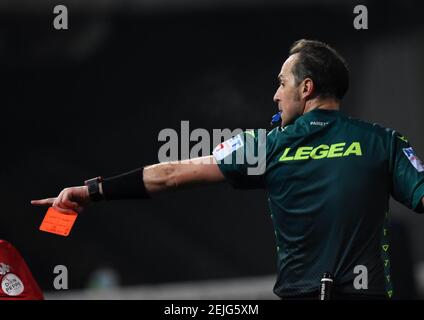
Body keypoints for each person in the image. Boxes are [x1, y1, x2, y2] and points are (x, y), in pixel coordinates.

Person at [31, 39, 424, 300]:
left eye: (281, 83)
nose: (275, 94)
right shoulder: (383, 141)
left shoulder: (266, 146)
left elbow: (171, 174)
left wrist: (94, 191)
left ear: (306, 89)